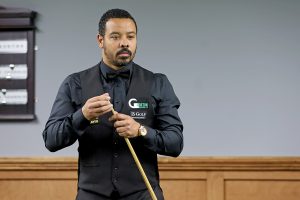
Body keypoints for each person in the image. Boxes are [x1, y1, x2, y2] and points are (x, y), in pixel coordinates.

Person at [42, 8, 183, 200]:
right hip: (91, 195)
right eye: (115, 37)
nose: (124, 42)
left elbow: (175, 143)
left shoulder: (157, 83)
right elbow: (51, 140)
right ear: (101, 40)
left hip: (142, 195)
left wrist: (141, 130)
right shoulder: (74, 83)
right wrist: (82, 116)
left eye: (130, 37)